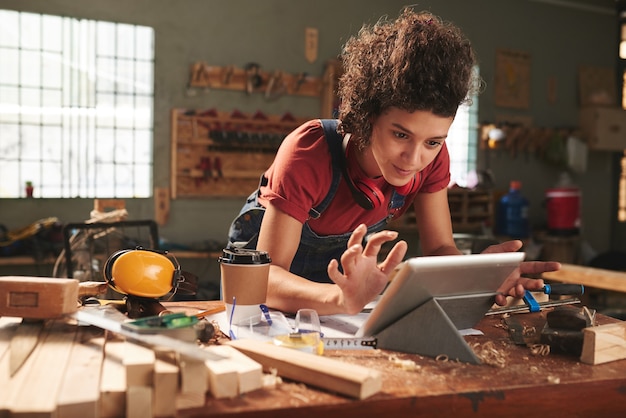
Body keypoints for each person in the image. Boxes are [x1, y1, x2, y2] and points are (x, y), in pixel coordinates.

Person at [227, 8, 560, 316]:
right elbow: (264, 278)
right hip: (267, 295)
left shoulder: (432, 160)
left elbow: (440, 248)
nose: (414, 159)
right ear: (366, 118)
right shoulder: (308, 152)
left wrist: (475, 275)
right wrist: (339, 299)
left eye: (432, 141)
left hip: (339, 300)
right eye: (400, 135)